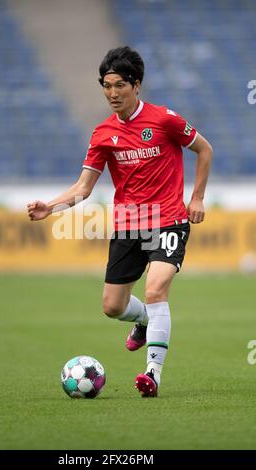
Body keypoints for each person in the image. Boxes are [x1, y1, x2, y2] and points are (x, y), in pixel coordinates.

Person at [27, 46, 212, 397]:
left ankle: (152, 376)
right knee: (113, 306)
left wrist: (197, 197)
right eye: (106, 86)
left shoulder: (165, 120)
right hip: (129, 223)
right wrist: (50, 207)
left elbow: (205, 149)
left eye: (119, 86)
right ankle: (142, 321)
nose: (112, 93)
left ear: (136, 85)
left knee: (156, 288)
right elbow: (83, 188)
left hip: (169, 220)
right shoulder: (102, 134)